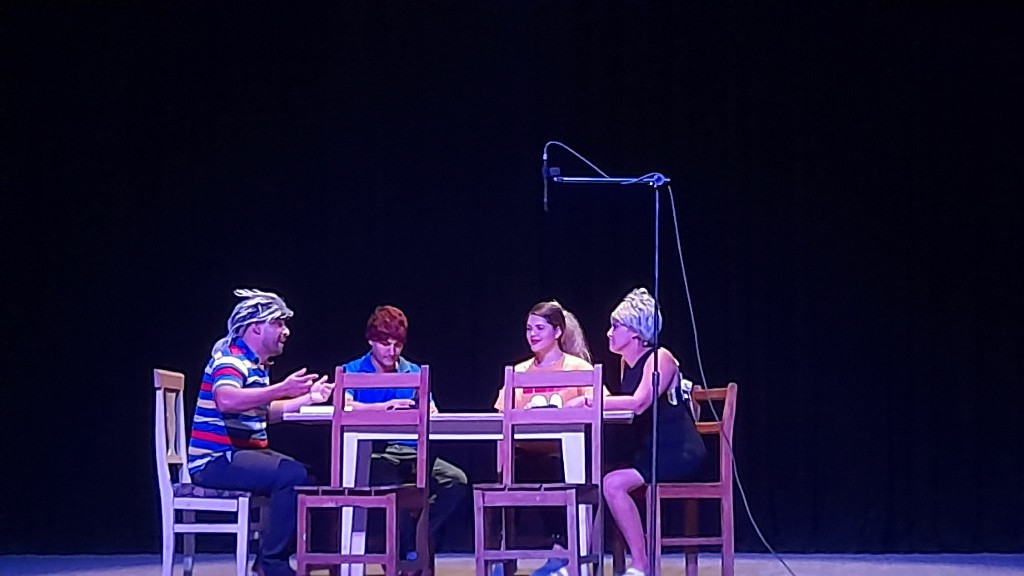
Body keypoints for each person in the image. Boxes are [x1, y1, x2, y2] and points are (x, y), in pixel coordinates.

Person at [188, 288, 335, 576]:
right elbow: (226, 399)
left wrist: (309, 398)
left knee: (308, 475)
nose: (286, 331)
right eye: (278, 323)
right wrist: (282, 388)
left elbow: (265, 413)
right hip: (215, 460)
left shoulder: (255, 365)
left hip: (238, 455)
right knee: (291, 476)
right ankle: (272, 564)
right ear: (256, 327)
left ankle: (270, 559)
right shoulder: (230, 359)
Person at [566, 288, 707, 576]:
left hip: (677, 451)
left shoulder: (660, 358)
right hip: (650, 450)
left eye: (616, 326)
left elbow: (640, 402)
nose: (609, 333)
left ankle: (642, 565)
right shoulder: (626, 364)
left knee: (613, 483)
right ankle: (577, 562)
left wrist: (591, 399)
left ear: (635, 332)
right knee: (595, 478)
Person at [341, 305, 468, 562]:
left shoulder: (414, 372)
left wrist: (428, 410)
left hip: (412, 451)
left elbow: (431, 409)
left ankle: (420, 535)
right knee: (393, 488)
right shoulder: (353, 370)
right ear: (371, 341)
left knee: (456, 481)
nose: (391, 351)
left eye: (397, 345)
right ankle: (404, 548)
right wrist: (382, 408)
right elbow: (344, 405)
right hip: (376, 453)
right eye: (385, 344)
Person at [492, 300, 597, 576]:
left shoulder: (579, 368)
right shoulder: (518, 372)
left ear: (558, 331)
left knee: (551, 467)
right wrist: (502, 464)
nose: (532, 335)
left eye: (539, 328)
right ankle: (503, 554)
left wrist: (581, 401)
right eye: (529, 329)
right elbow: (501, 418)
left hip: (564, 456)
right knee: (513, 469)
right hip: (524, 453)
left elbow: (602, 404)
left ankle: (562, 550)